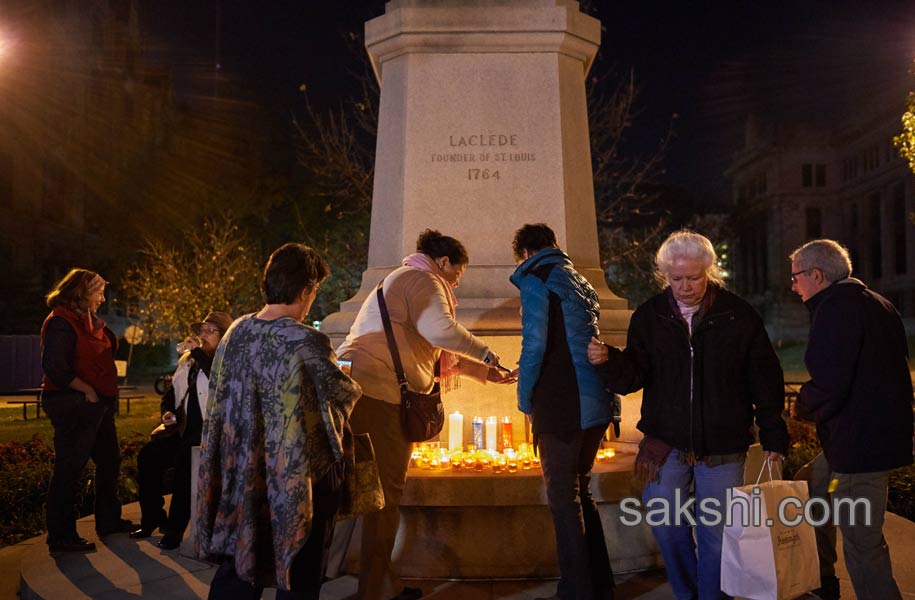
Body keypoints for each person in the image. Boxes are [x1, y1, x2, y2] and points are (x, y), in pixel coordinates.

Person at [588, 230, 788, 600]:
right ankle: (687, 593)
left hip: (722, 445)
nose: (685, 286)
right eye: (676, 278)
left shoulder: (737, 314)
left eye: (693, 277)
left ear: (708, 271)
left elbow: (765, 376)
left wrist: (774, 432)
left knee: (715, 535)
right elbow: (634, 375)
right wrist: (609, 360)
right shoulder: (650, 315)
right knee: (667, 527)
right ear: (665, 275)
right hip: (665, 445)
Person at [337, 229, 511, 600]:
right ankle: (374, 588)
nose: (456, 285)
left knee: (370, 494)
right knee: (383, 496)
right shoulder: (422, 278)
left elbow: (426, 349)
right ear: (444, 262)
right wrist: (485, 354)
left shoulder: (403, 280)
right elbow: (440, 330)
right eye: (458, 276)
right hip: (377, 395)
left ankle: (375, 581)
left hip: (365, 389)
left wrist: (481, 372)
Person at [195, 243, 362, 600]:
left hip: (243, 470)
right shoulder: (306, 339)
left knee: (241, 565)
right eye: (314, 292)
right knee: (301, 569)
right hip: (295, 478)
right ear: (306, 290)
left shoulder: (235, 332)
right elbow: (342, 395)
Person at [789, 239, 913, 600]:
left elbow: (830, 379)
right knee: (812, 489)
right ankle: (822, 581)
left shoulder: (836, 309)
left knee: (862, 541)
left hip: (861, 448)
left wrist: (802, 406)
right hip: (853, 441)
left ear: (817, 274)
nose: (793, 285)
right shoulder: (879, 304)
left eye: (796, 277)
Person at [509, 223, 619, 600]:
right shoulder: (578, 280)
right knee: (580, 492)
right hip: (594, 399)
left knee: (562, 498)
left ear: (524, 253)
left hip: (560, 402)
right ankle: (599, 584)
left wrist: (524, 399)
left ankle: (575, 591)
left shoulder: (537, 277)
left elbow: (535, 345)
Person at [40, 268, 133, 552]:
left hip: (98, 405)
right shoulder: (61, 323)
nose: (103, 299)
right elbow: (55, 367)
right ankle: (61, 534)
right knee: (70, 467)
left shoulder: (89, 322)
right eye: (99, 292)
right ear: (81, 292)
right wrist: (88, 390)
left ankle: (108, 519)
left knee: (109, 460)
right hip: (74, 404)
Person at [129, 310, 233, 550]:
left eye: (210, 331)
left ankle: (175, 531)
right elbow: (170, 395)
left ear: (224, 336)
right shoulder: (188, 361)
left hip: (211, 432)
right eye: (201, 331)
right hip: (184, 429)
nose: (202, 335)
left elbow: (216, 378)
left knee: (185, 461)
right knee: (148, 457)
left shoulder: (226, 360)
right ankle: (153, 518)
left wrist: (196, 350)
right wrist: (166, 412)